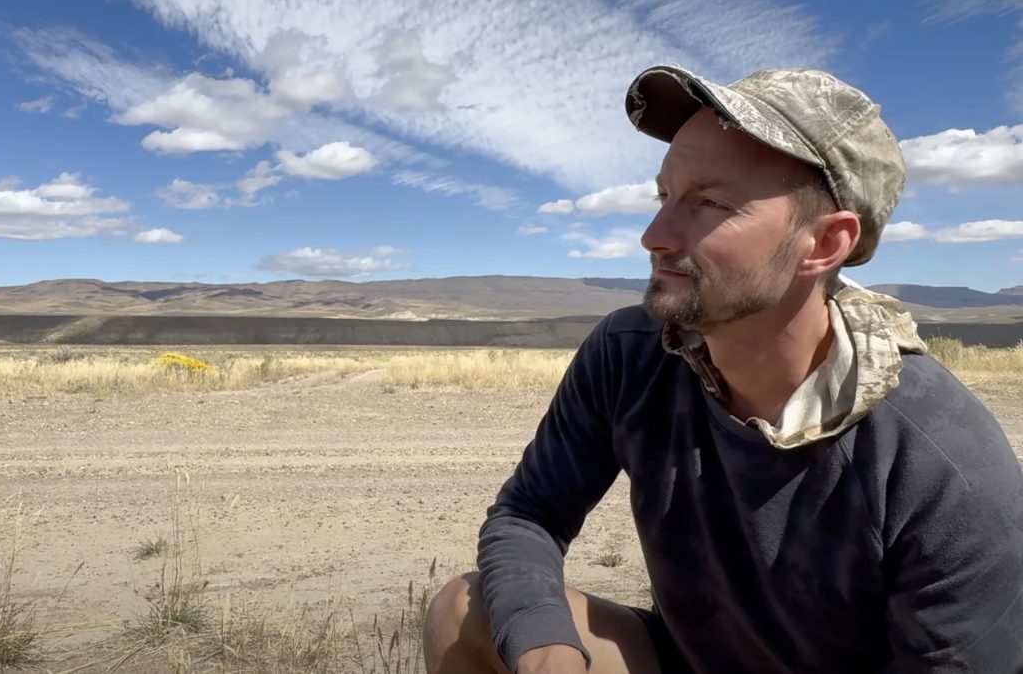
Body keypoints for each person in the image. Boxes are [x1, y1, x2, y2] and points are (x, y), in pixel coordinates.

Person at [421, 64, 1023, 674]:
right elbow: (529, 514)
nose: (654, 235)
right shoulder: (630, 353)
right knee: (465, 614)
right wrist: (545, 647)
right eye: (664, 197)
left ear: (823, 244)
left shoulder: (940, 460)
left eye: (710, 203)